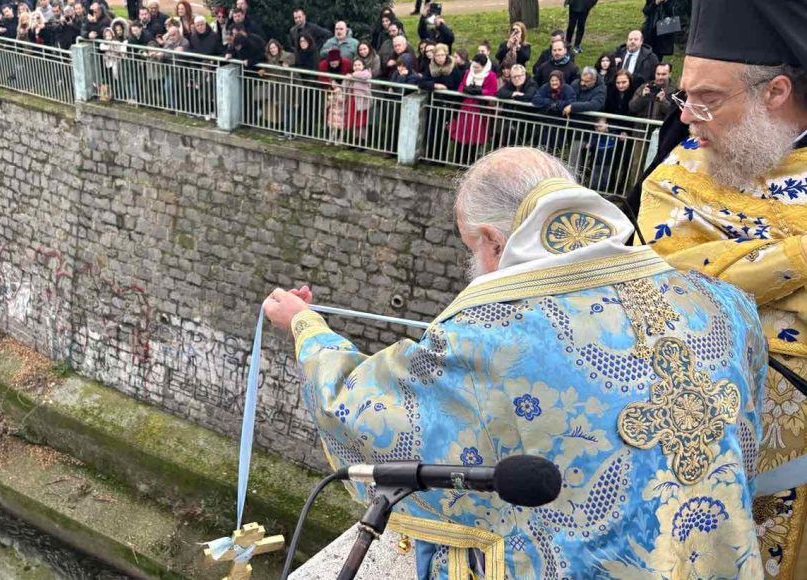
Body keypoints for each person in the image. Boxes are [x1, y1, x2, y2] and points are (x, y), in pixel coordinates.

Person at [266, 146, 766, 580]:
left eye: (470, 248)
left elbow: (355, 406)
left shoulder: (489, 339)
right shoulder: (725, 304)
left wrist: (305, 325)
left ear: (494, 241)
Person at [636, 1, 807, 576]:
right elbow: (672, 281)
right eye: (684, 97)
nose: (687, 117)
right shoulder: (678, 175)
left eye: (706, 100)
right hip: (704, 454)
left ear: (775, 93)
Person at [448, 53, 497, 164]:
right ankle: (458, 161)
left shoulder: (490, 76)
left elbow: (492, 91)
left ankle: (470, 162)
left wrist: (480, 91)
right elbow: (461, 86)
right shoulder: (468, 73)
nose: (474, 69)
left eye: (477, 67)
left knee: (475, 136)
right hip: (465, 108)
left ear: (483, 66)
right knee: (462, 135)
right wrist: (465, 89)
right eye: (473, 66)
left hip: (479, 110)